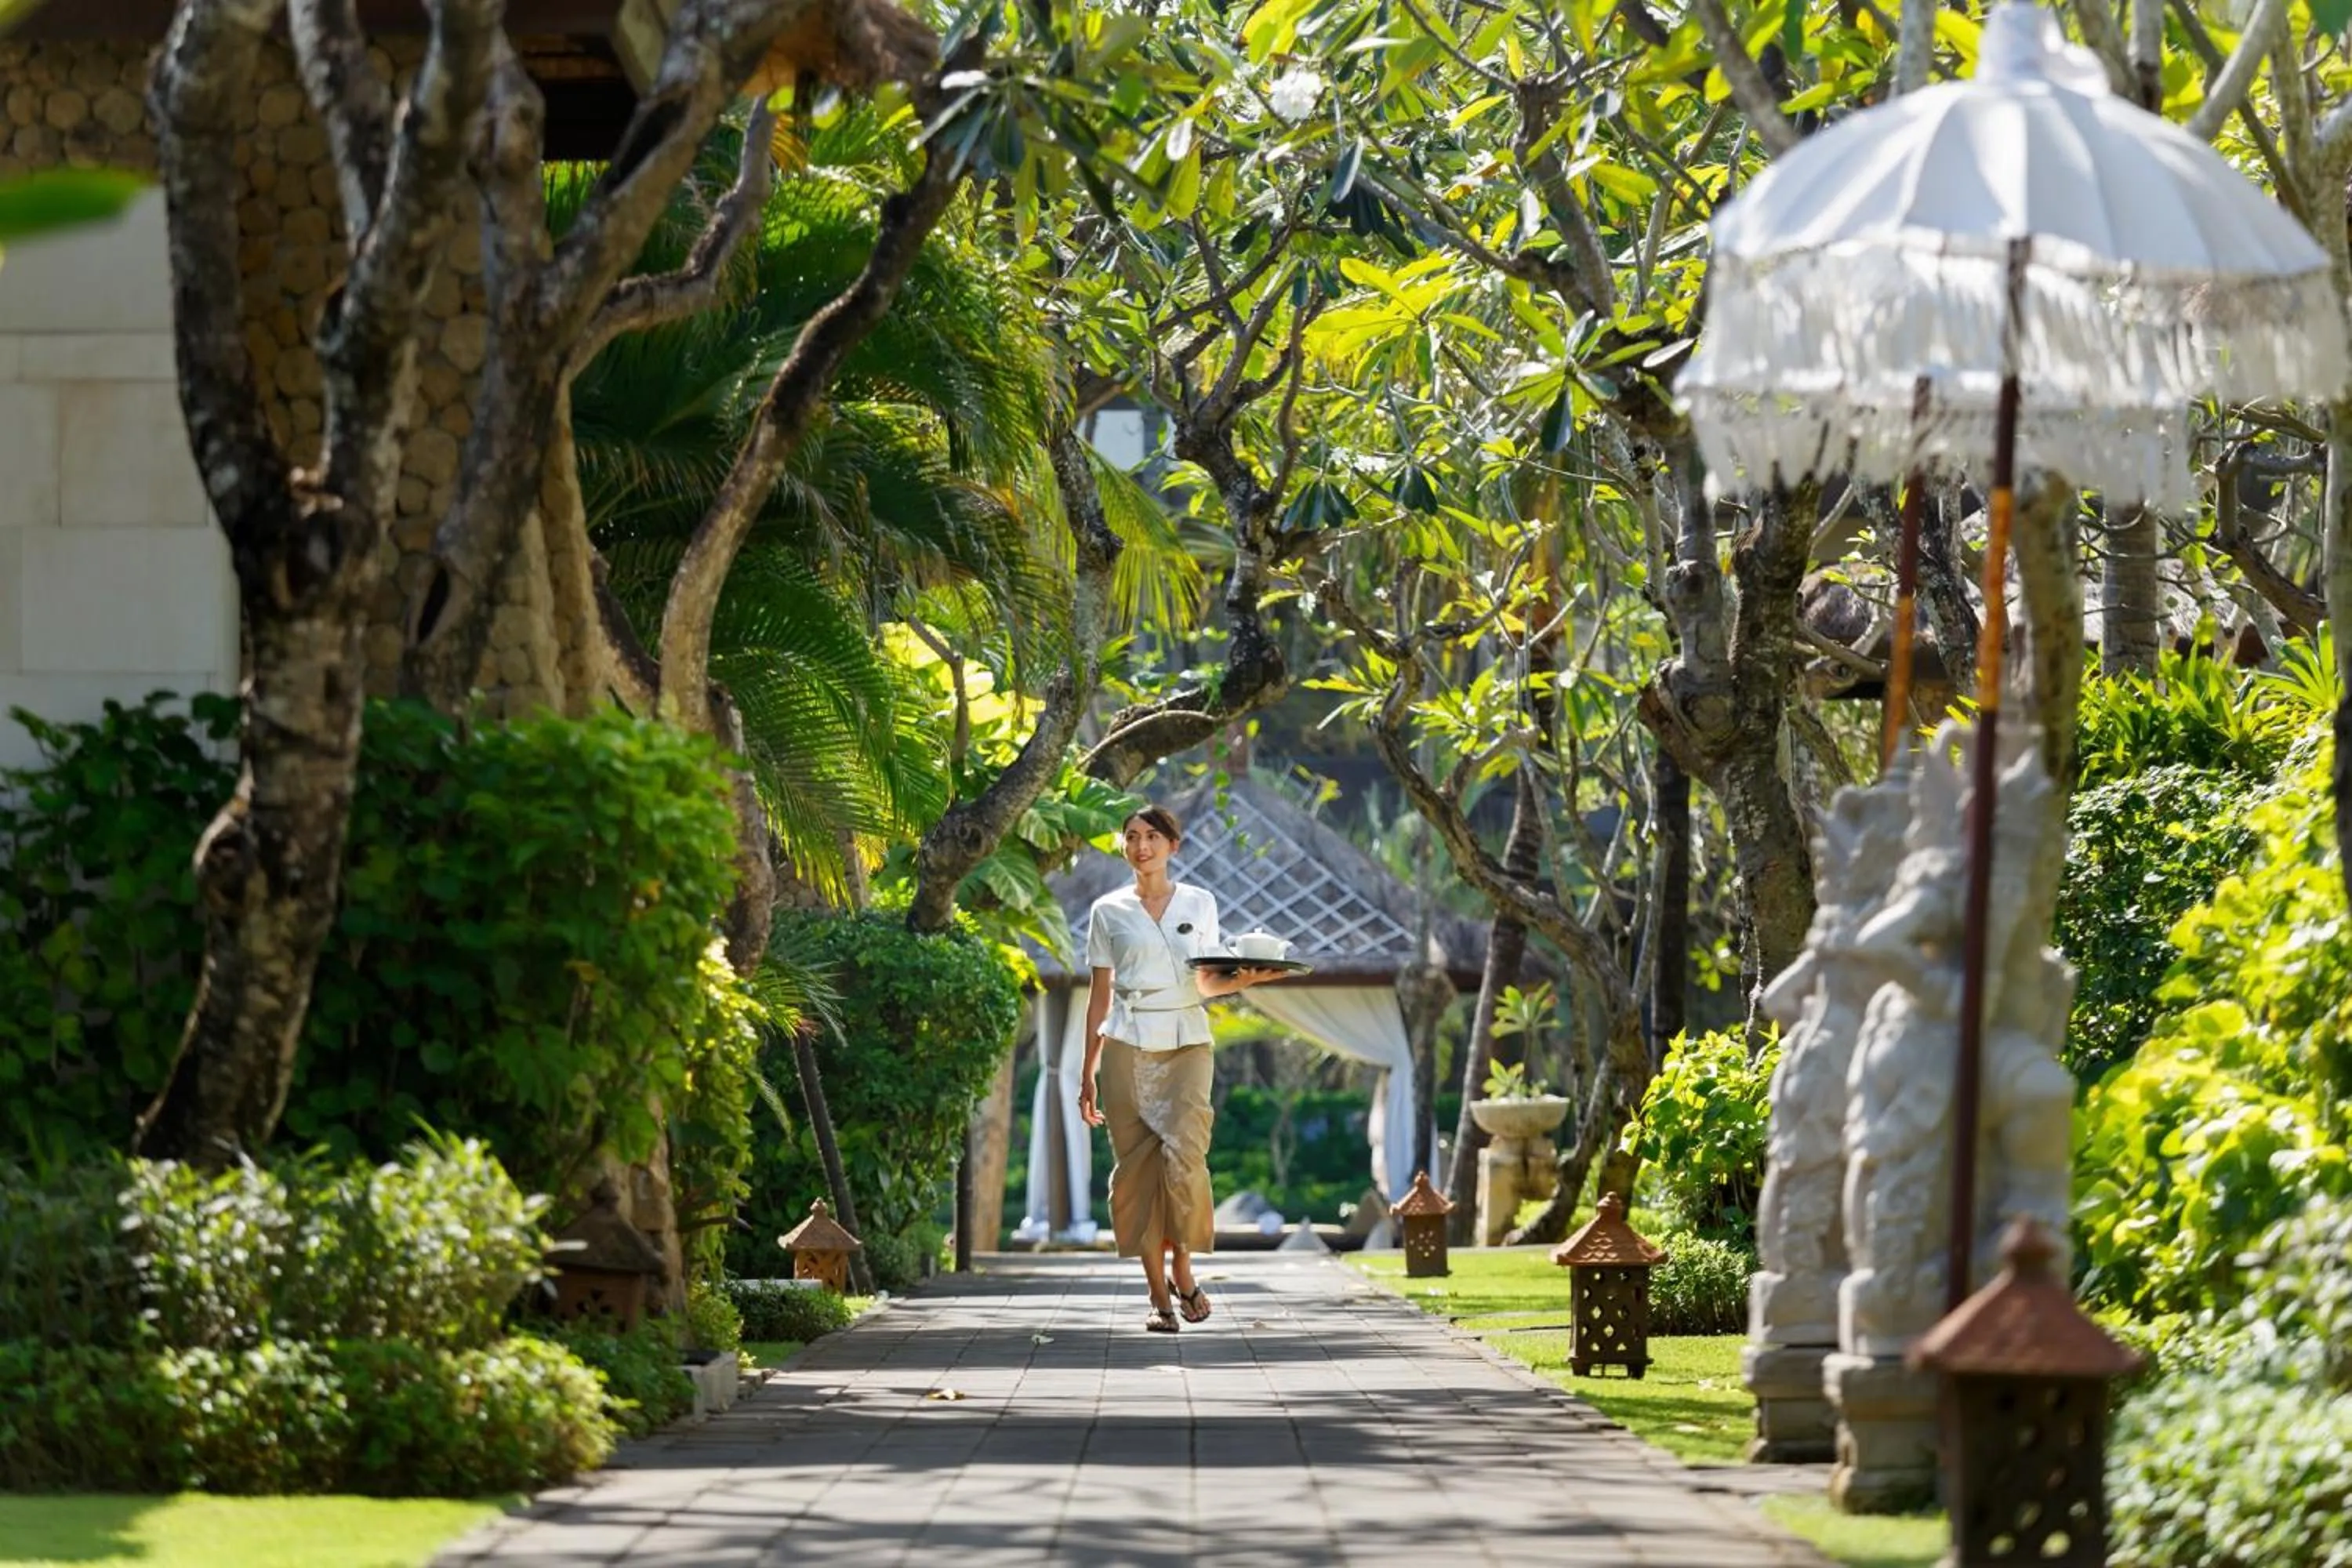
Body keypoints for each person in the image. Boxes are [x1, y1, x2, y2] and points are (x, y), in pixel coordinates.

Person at [1078, 803, 1286, 1334]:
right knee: (1137, 1174)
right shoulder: (1107, 911)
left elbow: (1206, 981)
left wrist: (1248, 981)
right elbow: (1099, 998)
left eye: (1152, 836)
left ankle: (1183, 1269)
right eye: (1131, 837)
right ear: (1122, 846)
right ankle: (1158, 1299)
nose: (1141, 846)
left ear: (1174, 845)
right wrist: (1087, 1073)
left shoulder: (1200, 902)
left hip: (1188, 1040)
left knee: (1186, 1161)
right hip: (1125, 1042)